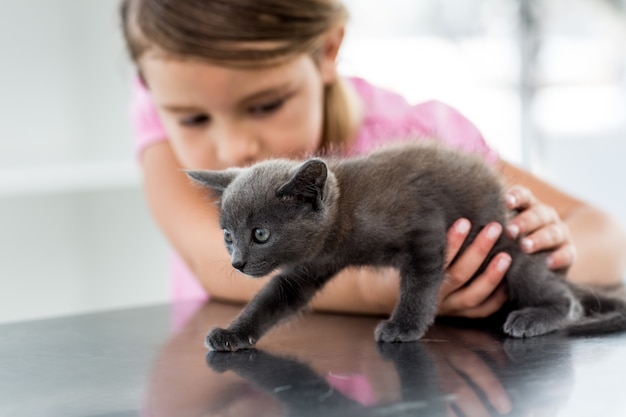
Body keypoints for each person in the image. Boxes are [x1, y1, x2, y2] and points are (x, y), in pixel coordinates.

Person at [119, 0, 626, 320]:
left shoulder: (421, 140)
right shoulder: (166, 134)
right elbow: (212, 263)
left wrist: (540, 246)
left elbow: (606, 234)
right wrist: (402, 290)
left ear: (326, 50)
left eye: (265, 104)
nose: (233, 149)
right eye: (193, 118)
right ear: (149, 88)